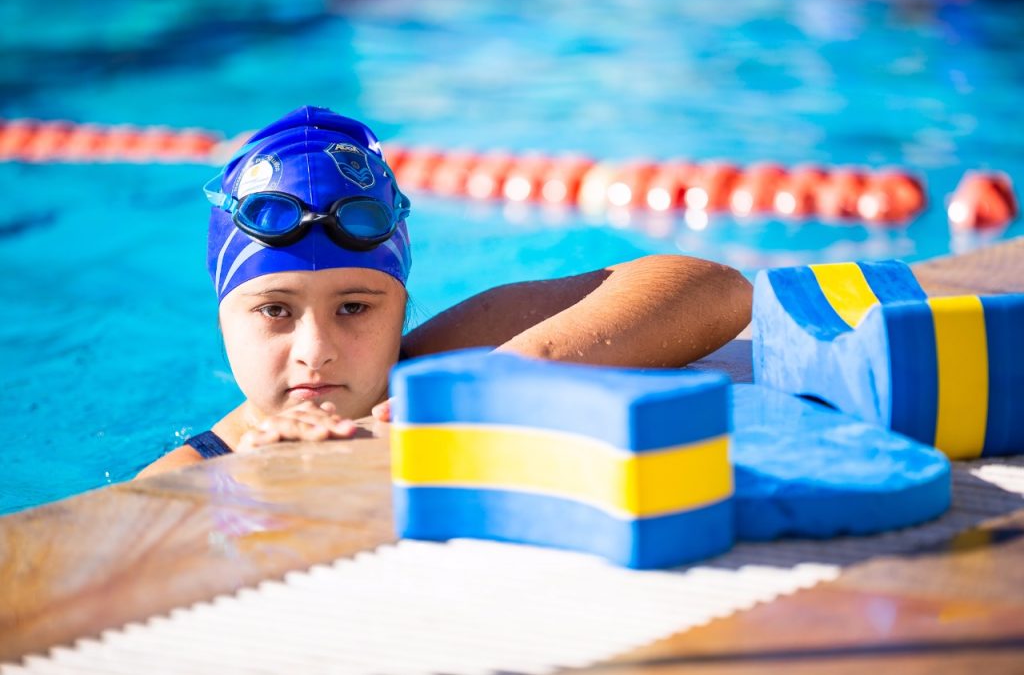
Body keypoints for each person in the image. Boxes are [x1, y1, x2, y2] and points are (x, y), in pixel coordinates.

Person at [137, 106, 752, 478]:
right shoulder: (195, 474)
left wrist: (507, 378)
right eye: (275, 310)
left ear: (402, 306)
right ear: (222, 319)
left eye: (354, 307)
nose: (315, 350)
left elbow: (718, 289)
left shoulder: (437, 363)